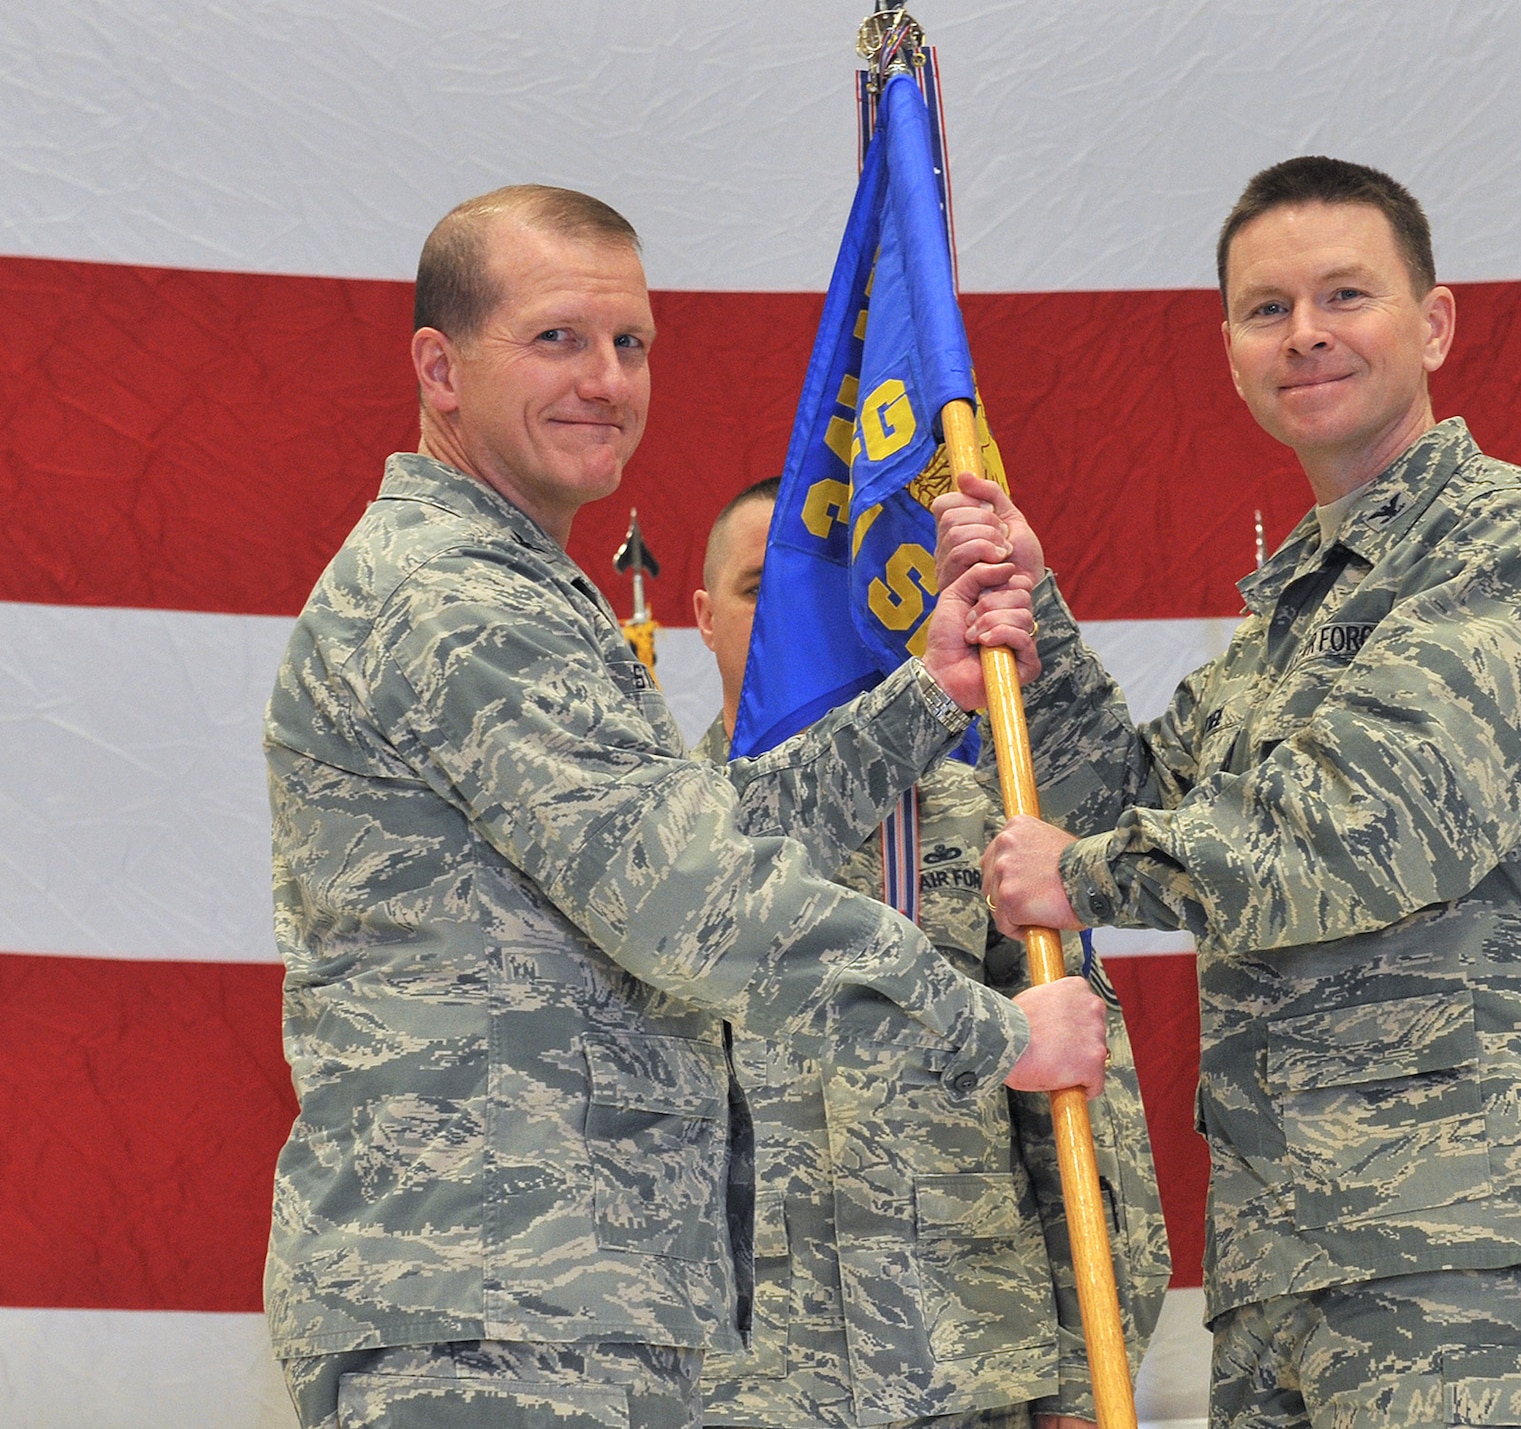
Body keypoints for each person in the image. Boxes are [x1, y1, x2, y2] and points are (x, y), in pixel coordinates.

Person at [262, 184, 1110, 1429]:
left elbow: (697, 836)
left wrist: (919, 698)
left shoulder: (516, 584)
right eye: (556, 338)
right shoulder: (452, 599)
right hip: (492, 1318)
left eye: (630, 343)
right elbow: (692, 898)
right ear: (439, 369)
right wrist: (996, 1036)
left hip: (568, 1306)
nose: (605, 379)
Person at [938, 157, 1521, 1429]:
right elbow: (1144, 794)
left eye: (1346, 295)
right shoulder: (1297, 611)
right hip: (1292, 1271)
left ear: (1432, 323)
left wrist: (1090, 872)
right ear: (1227, 347)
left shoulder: (1512, 546)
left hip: (1479, 1267)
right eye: (1265, 308)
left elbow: (1365, 827)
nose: (1306, 334)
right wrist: (1033, 622)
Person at [688, 479, 1172, 1429]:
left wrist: (1083, 1382)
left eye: (820, 585)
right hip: (742, 1388)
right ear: (701, 618)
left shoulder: (988, 824)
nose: (794, 610)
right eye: (759, 586)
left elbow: (1085, 1128)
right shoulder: (664, 845)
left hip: (969, 1368)